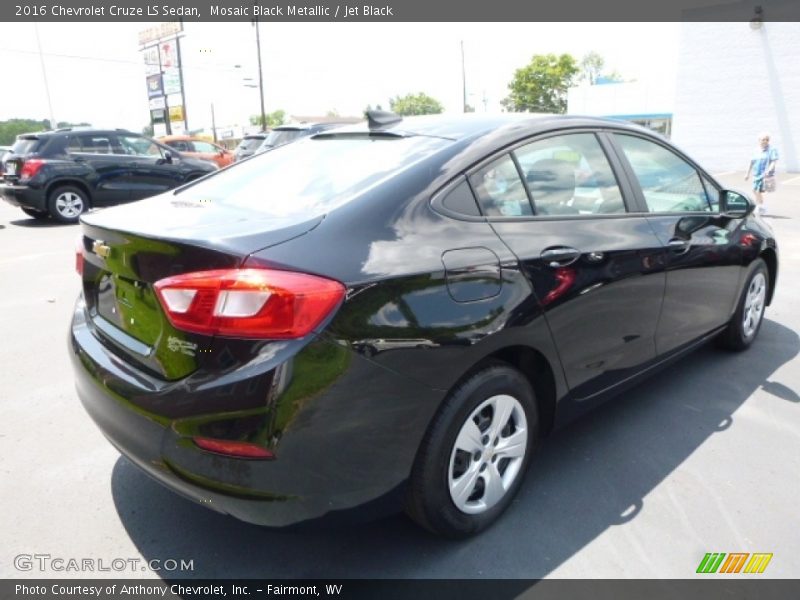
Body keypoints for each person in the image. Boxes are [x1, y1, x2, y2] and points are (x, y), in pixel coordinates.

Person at [744, 133, 778, 214]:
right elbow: (752, 162)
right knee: (756, 191)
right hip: (756, 174)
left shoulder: (772, 150)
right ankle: (760, 207)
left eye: (767, 140)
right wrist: (747, 174)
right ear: (759, 141)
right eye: (763, 139)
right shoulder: (756, 150)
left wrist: (769, 170)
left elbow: (774, 161)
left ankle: (760, 207)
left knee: (756, 190)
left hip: (764, 175)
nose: (765, 141)